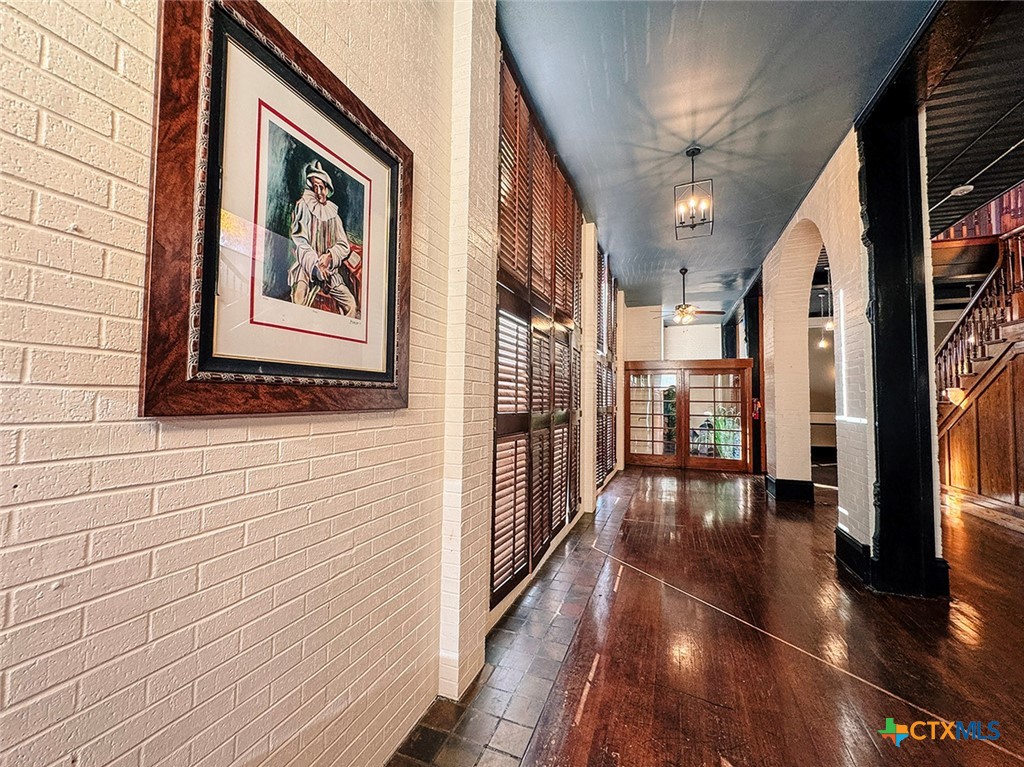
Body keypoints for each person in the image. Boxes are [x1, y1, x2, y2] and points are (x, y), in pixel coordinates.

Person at [287, 160, 360, 316]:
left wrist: (330, 256)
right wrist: (315, 264)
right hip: (307, 267)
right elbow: (300, 241)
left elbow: (343, 245)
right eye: (315, 187)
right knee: (299, 300)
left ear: (328, 188)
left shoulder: (334, 214)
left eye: (322, 187)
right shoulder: (304, 206)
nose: (319, 191)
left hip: (329, 271)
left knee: (351, 305)